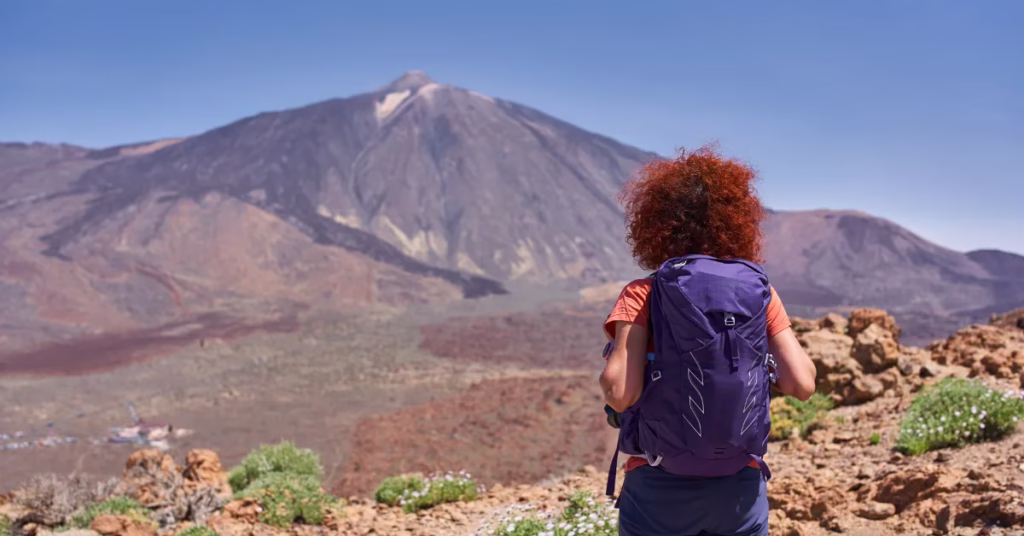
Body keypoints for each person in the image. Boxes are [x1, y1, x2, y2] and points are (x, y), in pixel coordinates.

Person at [598, 146, 817, 536]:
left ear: (658, 224)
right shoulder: (761, 294)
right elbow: (801, 384)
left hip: (659, 487)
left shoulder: (643, 293)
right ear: (737, 221)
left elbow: (620, 392)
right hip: (739, 489)